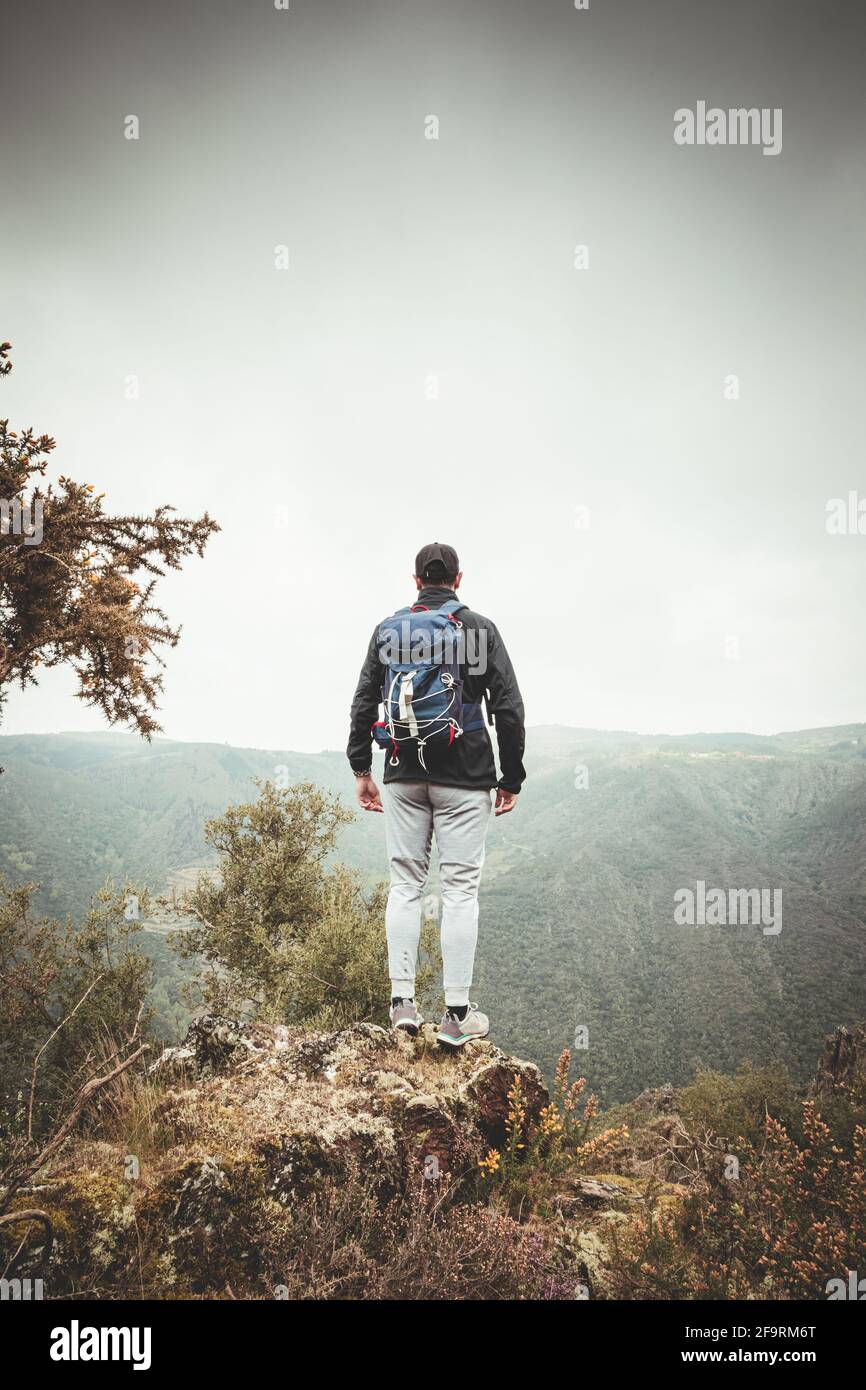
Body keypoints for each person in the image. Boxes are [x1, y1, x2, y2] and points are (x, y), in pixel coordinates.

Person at [347, 542, 526, 1048]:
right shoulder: (479, 630)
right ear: (458, 579)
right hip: (466, 774)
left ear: (416, 580)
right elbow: (509, 708)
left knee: (405, 884)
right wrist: (511, 777)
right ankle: (456, 1015)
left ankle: (402, 1004)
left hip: (404, 770)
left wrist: (363, 767)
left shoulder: (389, 630)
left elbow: (364, 700)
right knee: (459, 891)